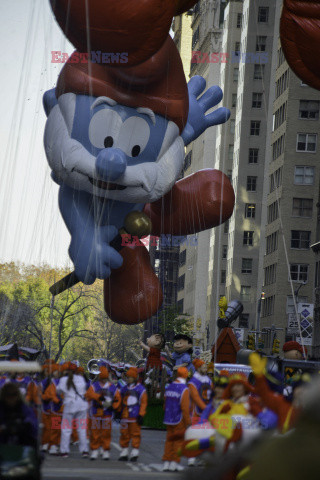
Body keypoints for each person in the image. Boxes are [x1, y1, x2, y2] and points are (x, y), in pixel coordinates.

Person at [86, 366, 121, 460]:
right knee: (95, 433)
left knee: (106, 433)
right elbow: (88, 395)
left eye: (105, 378)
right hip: (96, 412)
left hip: (107, 413)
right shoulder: (94, 386)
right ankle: (94, 450)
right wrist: (98, 397)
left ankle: (105, 450)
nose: (104, 380)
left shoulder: (112, 388)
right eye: (102, 378)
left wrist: (114, 407)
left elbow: (117, 399)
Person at [57, 362, 89, 458]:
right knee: (82, 429)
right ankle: (84, 451)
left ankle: (64, 451)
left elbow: (58, 391)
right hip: (82, 406)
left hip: (70, 405)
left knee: (66, 429)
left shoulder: (63, 379)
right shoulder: (81, 379)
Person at [162, 366, 191, 472]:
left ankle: (166, 462)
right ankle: (174, 463)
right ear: (186, 376)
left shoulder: (169, 387)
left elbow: (165, 404)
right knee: (178, 441)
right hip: (179, 419)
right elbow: (185, 408)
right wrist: (188, 422)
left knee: (169, 440)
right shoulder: (184, 389)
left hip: (168, 417)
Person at [118, 367, 147, 462]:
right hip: (125, 416)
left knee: (135, 434)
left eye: (130, 377)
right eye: (127, 377)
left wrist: (141, 414)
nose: (128, 379)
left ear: (134, 378)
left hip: (135, 416)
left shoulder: (141, 389)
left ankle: (135, 451)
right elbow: (119, 400)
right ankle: (124, 451)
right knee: (124, 434)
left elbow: (143, 403)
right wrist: (118, 411)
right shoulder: (123, 389)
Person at [0, 382, 38, 448]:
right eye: (8, 395)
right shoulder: (1, 408)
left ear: (17, 395)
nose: (11, 398)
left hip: (23, 444)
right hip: (3, 443)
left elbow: (33, 424)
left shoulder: (24, 408)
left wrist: (24, 424)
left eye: (14, 395)